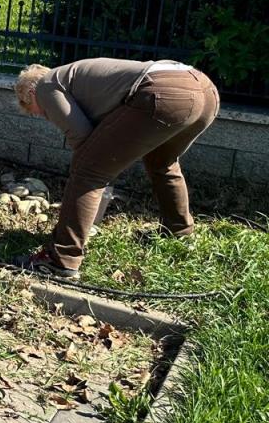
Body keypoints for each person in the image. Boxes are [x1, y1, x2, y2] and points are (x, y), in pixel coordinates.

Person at [13, 58, 220, 279]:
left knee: (87, 170)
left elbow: (83, 139)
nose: (40, 115)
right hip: (204, 91)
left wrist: (98, 172)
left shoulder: (45, 86)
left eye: (31, 109)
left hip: (166, 92)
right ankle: (178, 232)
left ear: (30, 93)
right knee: (161, 162)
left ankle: (61, 259)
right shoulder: (74, 80)